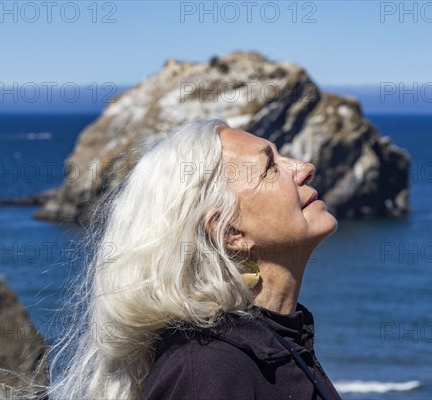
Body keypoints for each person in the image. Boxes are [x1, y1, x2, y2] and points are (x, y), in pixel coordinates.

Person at [47, 118, 341, 400]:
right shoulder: (208, 371)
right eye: (270, 168)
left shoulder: (278, 342)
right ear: (230, 232)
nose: (305, 168)